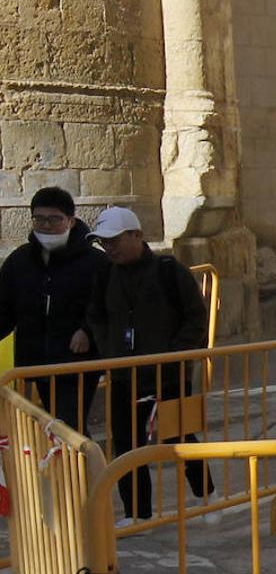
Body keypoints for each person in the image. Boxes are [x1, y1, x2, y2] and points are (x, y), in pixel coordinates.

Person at [85, 207, 213, 526]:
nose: (109, 247)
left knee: (178, 438)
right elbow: (96, 316)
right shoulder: (104, 275)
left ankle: (207, 496)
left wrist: (174, 355)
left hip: (167, 374)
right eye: (104, 242)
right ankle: (137, 512)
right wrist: (110, 351)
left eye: (114, 240)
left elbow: (195, 316)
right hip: (124, 376)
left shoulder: (169, 271)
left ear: (136, 236)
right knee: (127, 446)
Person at [0, 188, 107, 431]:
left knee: (67, 427)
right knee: (56, 427)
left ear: (70, 220)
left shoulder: (95, 263)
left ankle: (87, 469)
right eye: (40, 219)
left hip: (76, 362)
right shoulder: (19, 261)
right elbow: (4, 309)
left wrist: (87, 331)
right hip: (37, 359)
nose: (46, 226)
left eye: (54, 219)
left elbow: (105, 304)